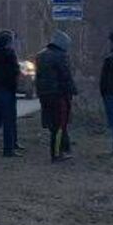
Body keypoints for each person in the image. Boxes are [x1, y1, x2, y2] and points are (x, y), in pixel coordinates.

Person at [35, 30, 77, 162]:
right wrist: (73, 90)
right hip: (59, 95)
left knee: (53, 124)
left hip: (45, 95)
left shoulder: (40, 55)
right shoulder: (61, 56)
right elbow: (65, 76)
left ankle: (63, 149)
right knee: (60, 125)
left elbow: (38, 77)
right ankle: (57, 153)